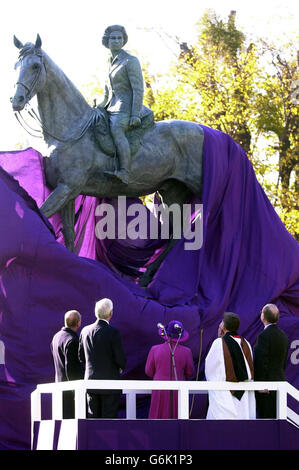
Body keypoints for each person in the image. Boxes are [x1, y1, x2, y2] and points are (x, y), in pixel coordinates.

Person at [99, 24, 144, 184]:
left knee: (117, 130)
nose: (116, 41)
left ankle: (125, 171)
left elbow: (138, 88)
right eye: (113, 38)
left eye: (119, 38)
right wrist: (98, 106)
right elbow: (107, 92)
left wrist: (135, 114)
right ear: (107, 41)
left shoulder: (130, 61)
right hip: (111, 106)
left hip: (125, 108)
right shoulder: (109, 63)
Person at [78, 298, 126, 418]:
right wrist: (120, 367)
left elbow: (81, 356)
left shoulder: (85, 331)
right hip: (110, 384)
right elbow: (120, 358)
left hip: (90, 382)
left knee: (92, 419)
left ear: (96, 313)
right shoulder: (113, 332)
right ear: (111, 313)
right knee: (109, 422)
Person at [205, 312, 256, 420]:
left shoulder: (219, 343)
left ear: (223, 326)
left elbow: (210, 370)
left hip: (223, 397)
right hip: (244, 397)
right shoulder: (246, 343)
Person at [145, 320, 194, 419]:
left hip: (159, 389)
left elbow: (148, 372)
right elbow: (190, 373)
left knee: (157, 418)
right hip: (178, 389)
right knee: (177, 417)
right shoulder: (187, 352)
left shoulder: (155, 349)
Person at [254, 303, 289, 419]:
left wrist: (261, 385)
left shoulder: (263, 336)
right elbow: (283, 363)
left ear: (263, 316)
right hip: (279, 384)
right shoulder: (283, 336)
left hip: (266, 389)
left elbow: (260, 363)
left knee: (266, 421)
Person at [51, 310, 84, 418]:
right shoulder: (73, 340)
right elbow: (72, 369)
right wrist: (77, 392)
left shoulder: (56, 337)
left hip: (58, 388)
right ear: (78, 323)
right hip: (69, 393)